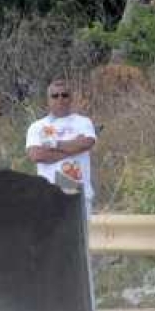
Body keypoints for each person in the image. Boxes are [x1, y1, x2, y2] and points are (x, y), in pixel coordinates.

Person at [26, 79, 97, 215]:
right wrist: (73, 147)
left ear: (71, 98)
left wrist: (54, 145)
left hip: (79, 195)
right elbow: (36, 155)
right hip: (50, 196)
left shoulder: (83, 122)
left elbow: (87, 143)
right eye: (55, 96)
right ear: (48, 100)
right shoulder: (37, 126)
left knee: (80, 236)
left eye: (64, 95)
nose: (60, 99)